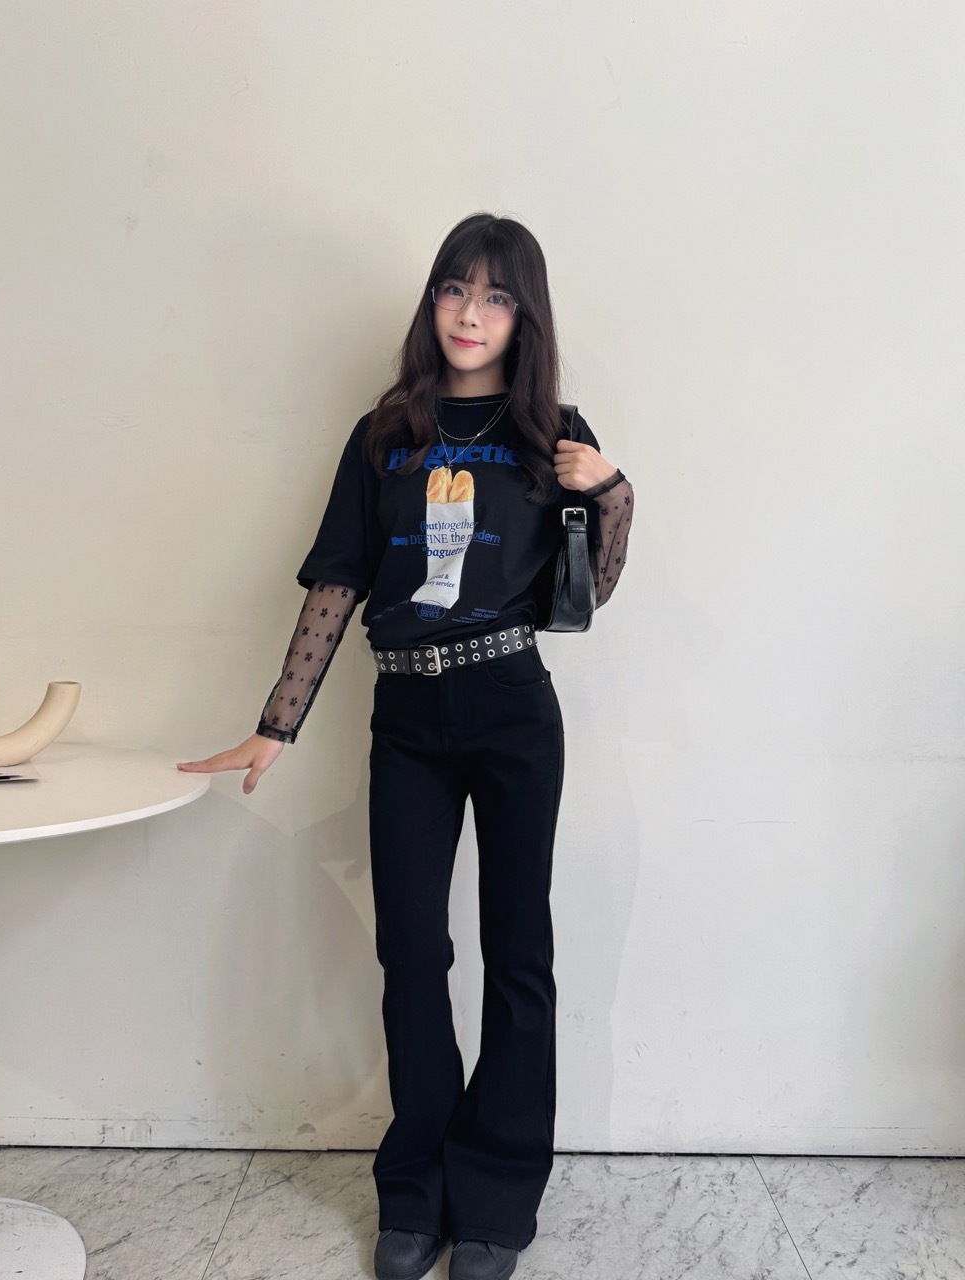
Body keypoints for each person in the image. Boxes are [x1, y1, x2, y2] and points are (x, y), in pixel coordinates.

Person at [178, 212, 633, 1280]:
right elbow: (340, 575)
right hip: (409, 719)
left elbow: (587, 597)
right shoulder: (385, 431)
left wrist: (610, 491)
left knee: (518, 951)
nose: (471, 314)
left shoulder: (552, 432)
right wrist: (277, 721)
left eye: (496, 297)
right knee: (413, 954)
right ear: (432, 301)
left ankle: (498, 1193)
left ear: (524, 317)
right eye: (454, 289)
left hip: (513, 706)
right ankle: (416, 1187)